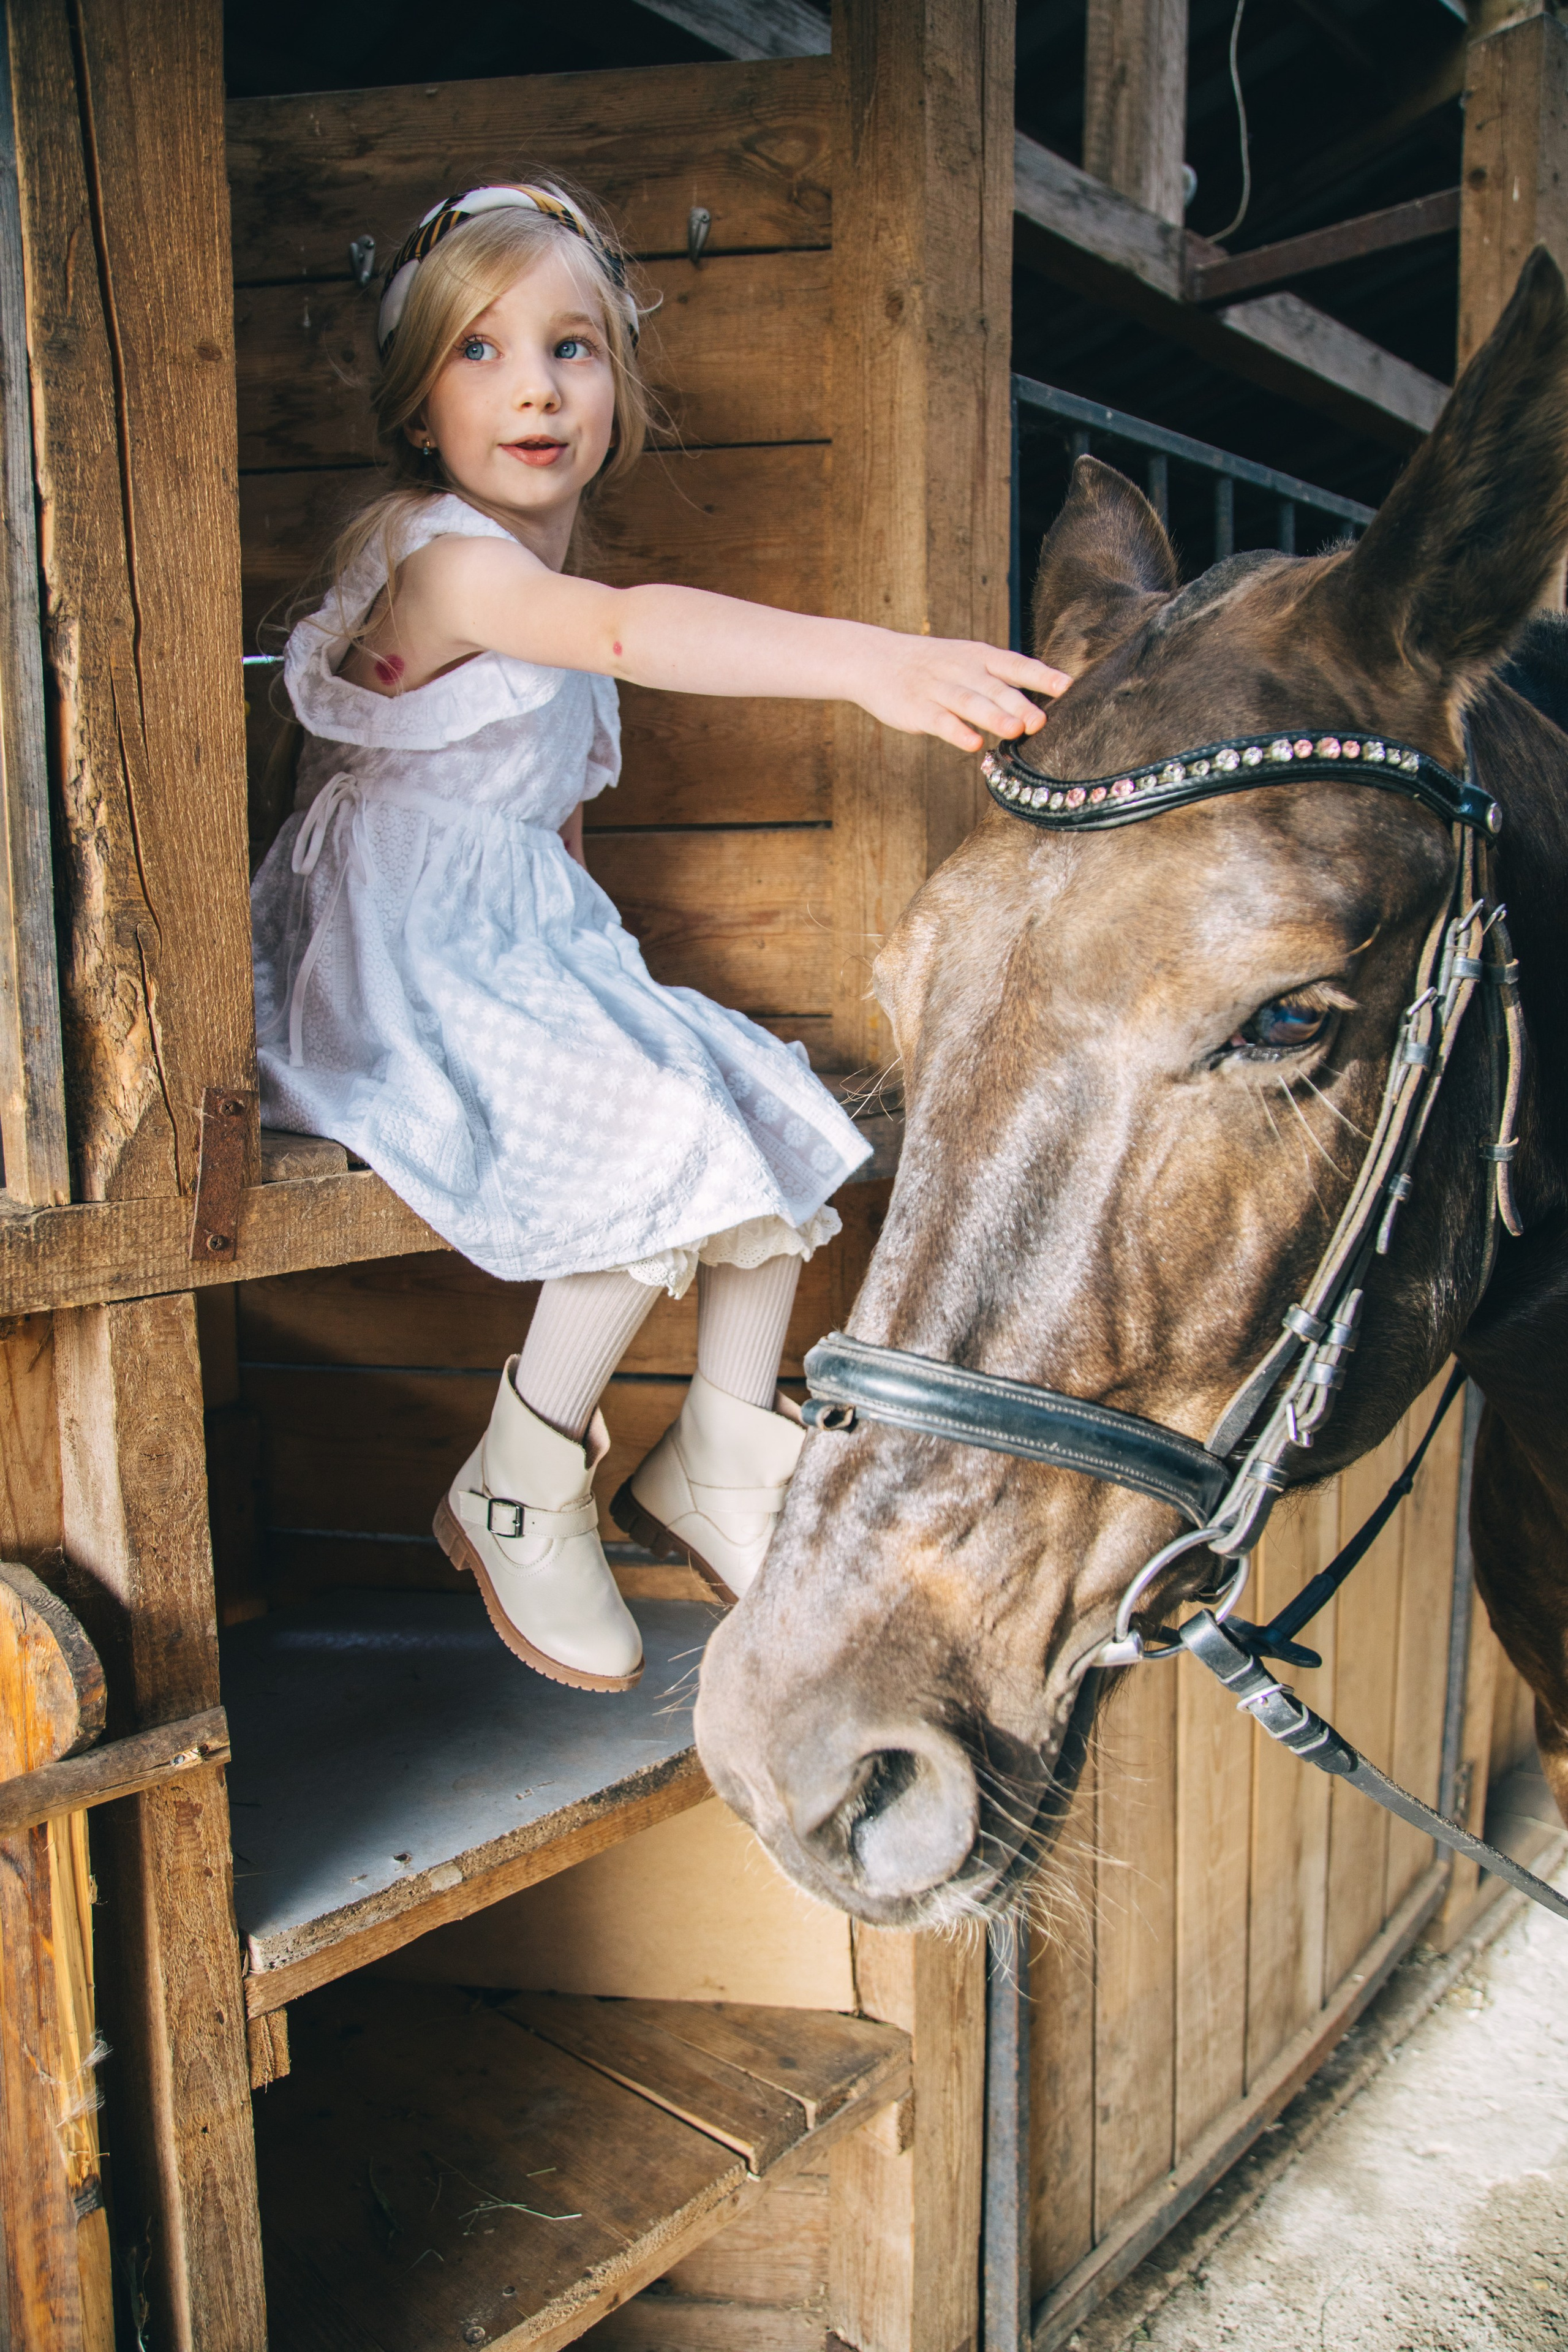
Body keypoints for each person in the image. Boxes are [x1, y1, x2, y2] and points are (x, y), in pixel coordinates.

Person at [251, 180, 1066, 1693]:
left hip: (516, 934)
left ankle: (718, 1451)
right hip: (394, 952)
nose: (536, 387)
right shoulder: (437, 552)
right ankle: (518, 1469)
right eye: (478, 353)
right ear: (419, 407)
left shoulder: (534, 578)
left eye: (572, 349)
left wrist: (604, 977)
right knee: (661, 1134)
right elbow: (627, 634)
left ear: (618, 387)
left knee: (775, 1102)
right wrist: (873, 662)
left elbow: (551, 817)